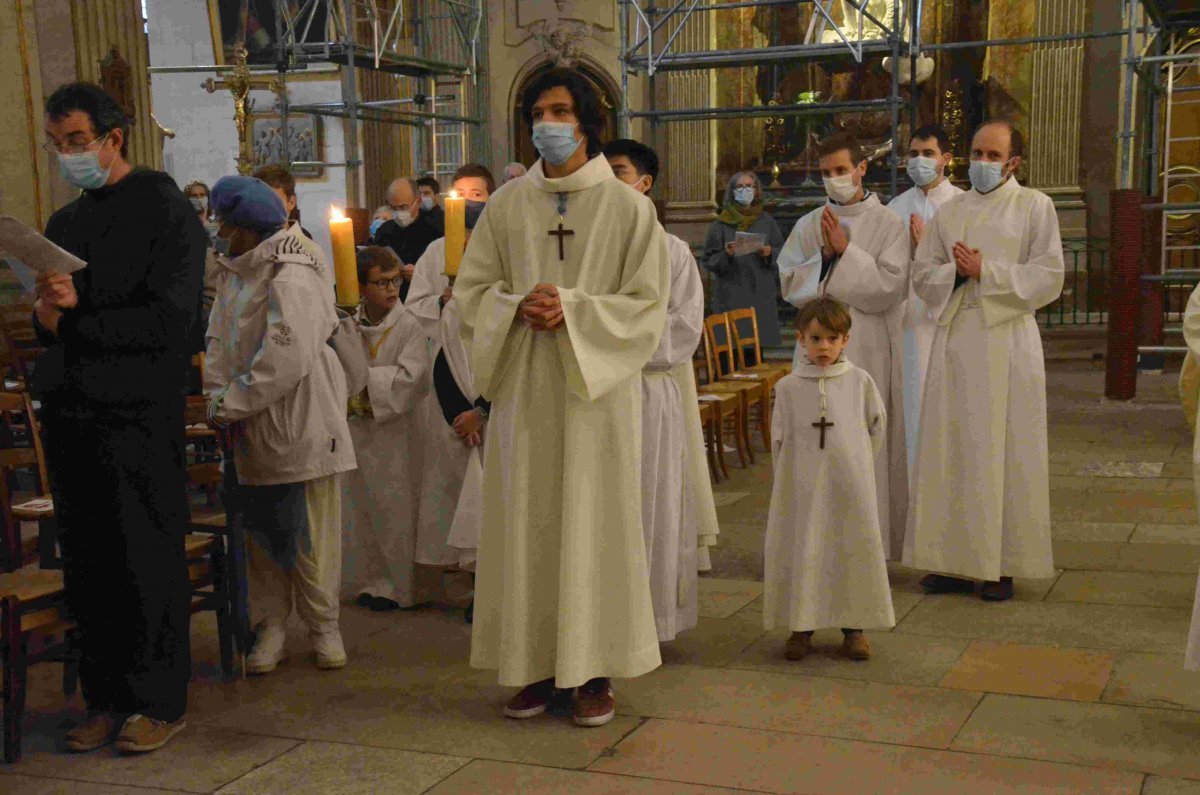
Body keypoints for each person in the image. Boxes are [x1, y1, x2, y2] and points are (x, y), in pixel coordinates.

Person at [455, 67, 669, 728]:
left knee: (594, 526)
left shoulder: (630, 208)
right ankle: (534, 665)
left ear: (586, 121)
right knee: (529, 524)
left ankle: (594, 671)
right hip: (526, 387)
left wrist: (572, 310)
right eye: (537, 112)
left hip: (594, 396)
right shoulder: (508, 206)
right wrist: (515, 303)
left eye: (559, 110)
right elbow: (471, 292)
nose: (547, 123)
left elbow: (647, 305)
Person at [35, 82, 205, 754]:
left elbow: (174, 321)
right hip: (74, 412)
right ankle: (105, 697)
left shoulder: (164, 209)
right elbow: (52, 326)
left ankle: (158, 701)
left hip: (138, 412)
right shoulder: (63, 225)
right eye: (57, 145)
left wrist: (78, 312)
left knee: (145, 558)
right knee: (90, 563)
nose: (68, 155)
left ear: (114, 138)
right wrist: (47, 317)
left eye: (77, 141)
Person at [903, 120, 1063, 602]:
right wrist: (956, 272)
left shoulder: (1035, 206)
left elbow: (1049, 276)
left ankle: (999, 565)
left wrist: (985, 271)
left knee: (1003, 451)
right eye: (976, 152)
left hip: (1007, 341)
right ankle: (951, 561)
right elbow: (922, 273)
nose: (982, 163)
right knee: (951, 448)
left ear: (1013, 162)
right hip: (956, 340)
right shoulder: (951, 212)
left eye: (993, 155)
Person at [205, 175, 356, 673]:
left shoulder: (293, 268)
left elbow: (285, 356)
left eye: (223, 222)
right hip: (249, 416)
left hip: (298, 413)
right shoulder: (235, 268)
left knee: (311, 532)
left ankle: (323, 626)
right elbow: (219, 341)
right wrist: (217, 395)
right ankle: (272, 625)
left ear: (247, 227)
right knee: (262, 533)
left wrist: (231, 401)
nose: (217, 230)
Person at [604, 138, 719, 642]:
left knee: (652, 504)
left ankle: (650, 622)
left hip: (648, 394)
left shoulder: (672, 251)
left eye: (619, 171)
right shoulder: (584, 249)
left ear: (644, 184)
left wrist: (609, 342)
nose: (608, 181)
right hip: (597, 394)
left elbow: (682, 330)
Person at [777, 131, 909, 561]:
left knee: (861, 444)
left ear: (861, 168)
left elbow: (890, 287)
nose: (834, 179)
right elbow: (787, 281)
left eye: (840, 170)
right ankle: (812, 547)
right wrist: (827, 259)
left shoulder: (888, 223)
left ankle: (867, 549)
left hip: (867, 344)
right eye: (825, 173)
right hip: (814, 347)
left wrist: (846, 253)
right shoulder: (807, 223)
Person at [764, 296, 893, 661]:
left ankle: (854, 628)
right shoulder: (788, 387)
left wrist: (858, 467)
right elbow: (778, 439)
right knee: (805, 549)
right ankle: (801, 626)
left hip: (849, 487)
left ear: (845, 341)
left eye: (833, 339)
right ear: (801, 338)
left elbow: (876, 428)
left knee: (850, 549)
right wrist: (791, 480)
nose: (825, 347)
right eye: (817, 338)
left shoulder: (860, 382)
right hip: (803, 488)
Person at [405, 164, 496, 575]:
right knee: (451, 473)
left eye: (475, 194)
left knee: (494, 478)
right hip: (446, 375)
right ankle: (456, 559)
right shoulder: (435, 252)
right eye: (457, 194)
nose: (466, 201)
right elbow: (414, 311)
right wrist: (441, 303)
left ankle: (490, 568)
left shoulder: (503, 245)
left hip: (489, 372)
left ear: (492, 199)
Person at [341, 246, 431, 611]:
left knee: (396, 507)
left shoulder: (409, 323)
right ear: (360, 285)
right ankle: (369, 580)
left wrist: (364, 384)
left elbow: (415, 377)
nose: (392, 289)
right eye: (381, 282)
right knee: (361, 505)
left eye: (395, 281)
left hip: (398, 431)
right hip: (359, 427)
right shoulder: (348, 321)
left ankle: (400, 586)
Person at [887, 124, 964, 474]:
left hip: (950, 316)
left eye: (927, 154)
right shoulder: (896, 207)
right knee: (913, 402)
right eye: (913, 154)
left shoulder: (963, 205)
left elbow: (968, 264)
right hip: (909, 319)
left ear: (945, 159)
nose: (919, 161)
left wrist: (927, 249)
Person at [701, 171, 784, 350]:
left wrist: (770, 252)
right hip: (731, 295)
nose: (744, 190)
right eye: (740, 187)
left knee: (755, 358)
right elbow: (708, 259)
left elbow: (784, 255)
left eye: (749, 186)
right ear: (732, 191)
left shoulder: (767, 221)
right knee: (727, 353)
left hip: (759, 295)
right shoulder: (720, 224)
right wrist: (727, 254)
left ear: (756, 190)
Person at [375, 177, 442, 302]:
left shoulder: (437, 227)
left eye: (403, 207)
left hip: (429, 299)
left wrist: (419, 274)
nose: (398, 212)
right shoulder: (384, 231)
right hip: (394, 297)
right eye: (393, 208)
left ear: (418, 201)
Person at [253, 164, 312, 240]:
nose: (266, 209)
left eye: (274, 202)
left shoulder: (307, 247)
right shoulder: (244, 241)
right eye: (260, 202)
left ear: (291, 202)